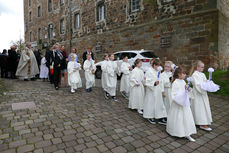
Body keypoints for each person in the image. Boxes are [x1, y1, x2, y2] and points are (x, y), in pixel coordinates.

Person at [166, 67, 196, 142]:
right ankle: (175, 131)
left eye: (185, 73)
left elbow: (185, 90)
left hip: (184, 103)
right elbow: (174, 94)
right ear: (179, 74)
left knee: (186, 117)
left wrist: (188, 89)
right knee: (178, 117)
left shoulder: (183, 82)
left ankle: (187, 133)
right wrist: (181, 96)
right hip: (178, 103)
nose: (185, 75)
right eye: (184, 73)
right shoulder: (175, 82)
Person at [190, 60, 213, 131]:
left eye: (203, 67)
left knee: (204, 107)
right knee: (199, 108)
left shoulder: (202, 74)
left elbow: (205, 81)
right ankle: (201, 123)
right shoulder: (194, 75)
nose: (203, 69)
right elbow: (197, 85)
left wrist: (208, 83)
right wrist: (203, 87)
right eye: (202, 67)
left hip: (203, 94)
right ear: (197, 67)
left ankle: (202, 121)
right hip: (198, 94)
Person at [143, 59, 167, 125]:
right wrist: (153, 83)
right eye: (157, 65)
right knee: (151, 104)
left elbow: (161, 81)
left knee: (159, 104)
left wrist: (162, 90)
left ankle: (160, 117)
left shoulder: (159, 71)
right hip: (151, 91)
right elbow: (146, 81)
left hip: (158, 91)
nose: (159, 67)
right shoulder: (149, 71)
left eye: (159, 65)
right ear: (154, 65)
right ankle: (150, 116)